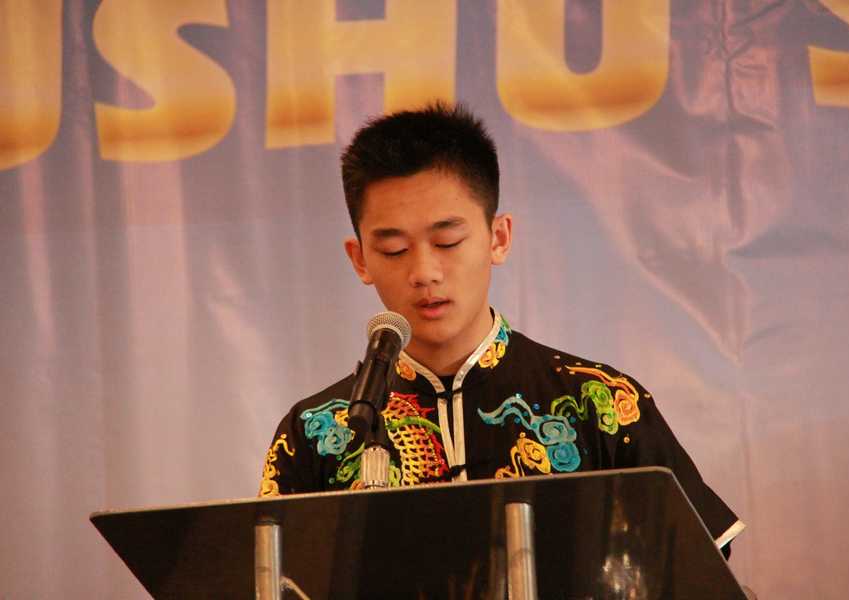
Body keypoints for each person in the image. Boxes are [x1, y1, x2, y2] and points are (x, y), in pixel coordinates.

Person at [258, 103, 744, 553]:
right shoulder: (315, 432)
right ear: (360, 259)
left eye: (448, 241)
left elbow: (697, 566)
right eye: (394, 250)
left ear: (498, 237)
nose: (424, 272)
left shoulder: (600, 404)